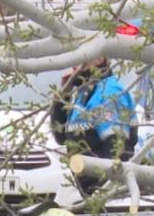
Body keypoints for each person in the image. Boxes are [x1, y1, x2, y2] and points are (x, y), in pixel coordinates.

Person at [49, 57, 137, 194]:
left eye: (80, 55)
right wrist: (64, 95)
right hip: (86, 190)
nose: (72, 62)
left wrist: (102, 192)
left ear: (99, 59)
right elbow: (61, 137)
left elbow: (117, 153)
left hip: (105, 194)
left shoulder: (109, 93)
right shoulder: (86, 92)